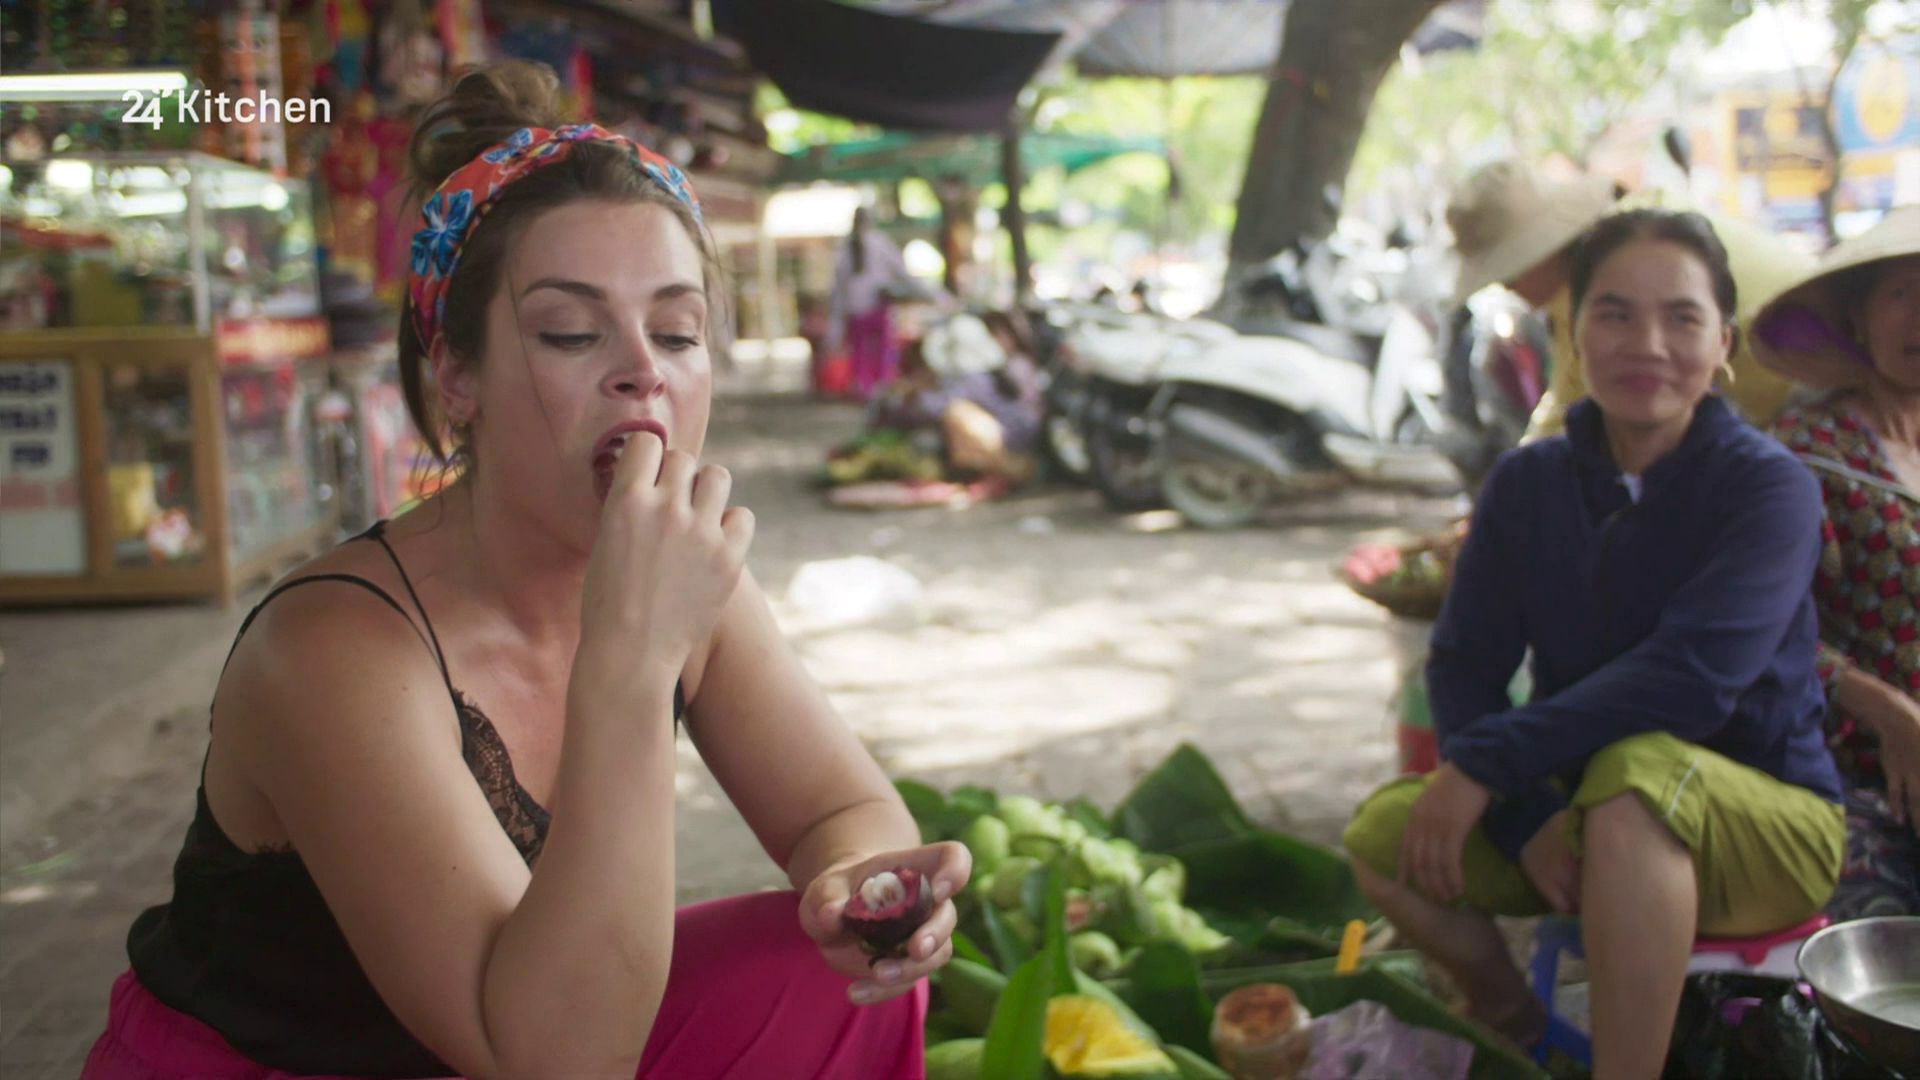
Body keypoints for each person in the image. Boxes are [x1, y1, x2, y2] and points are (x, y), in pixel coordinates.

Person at [82, 62, 966, 1080]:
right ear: (456, 377)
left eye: (677, 332)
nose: (644, 370)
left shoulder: (681, 574)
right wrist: (632, 661)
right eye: (571, 333)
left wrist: (862, 887)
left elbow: (840, 813)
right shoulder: (331, 651)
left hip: (542, 1027)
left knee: (823, 974)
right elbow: (555, 1061)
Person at [1343, 209, 1845, 1080]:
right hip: (1579, 814)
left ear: (1723, 343)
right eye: (1615, 314)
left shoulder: (1771, 489)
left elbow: (1690, 681)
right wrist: (1525, 814)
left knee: (1634, 776)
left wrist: (1487, 765)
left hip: (1772, 826)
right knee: (1387, 836)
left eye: (1681, 318)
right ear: (1572, 335)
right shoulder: (1526, 483)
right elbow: (1463, 665)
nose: (1647, 344)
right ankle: (1516, 1030)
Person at [1758, 205, 1920, 920]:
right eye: (1901, 293)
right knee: (1885, 951)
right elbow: (1763, 625)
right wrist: (1890, 712)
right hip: (1856, 771)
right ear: (1857, 319)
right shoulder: (1805, 452)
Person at [1447, 159, 1815, 441]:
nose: (1507, 287)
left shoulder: (1621, 263)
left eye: (1509, 273)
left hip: (1816, 398)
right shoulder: (1601, 258)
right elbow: (1566, 403)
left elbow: (1572, 414)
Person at [827, 206, 910, 400]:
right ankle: (882, 388)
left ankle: (864, 387)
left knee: (860, 352)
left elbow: (838, 286)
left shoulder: (845, 248)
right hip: (877, 308)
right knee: (883, 351)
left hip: (856, 311)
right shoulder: (880, 243)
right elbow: (901, 270)